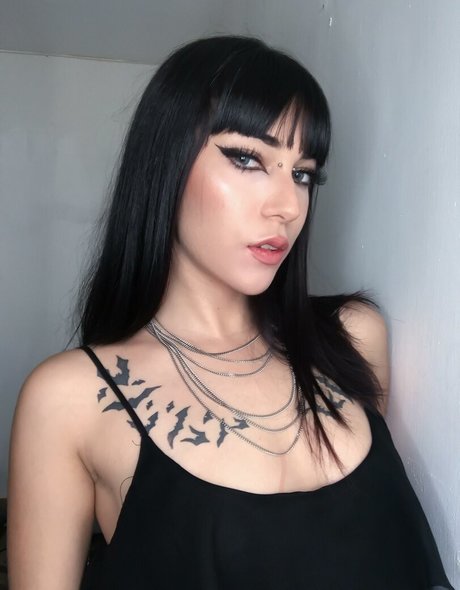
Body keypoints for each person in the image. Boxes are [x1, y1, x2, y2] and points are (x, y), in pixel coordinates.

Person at [7, 35, 453, 590]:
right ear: (165, 162)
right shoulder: (69, 400)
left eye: (303, 173)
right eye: (247, 159)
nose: (287, 206)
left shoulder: (353, 339)